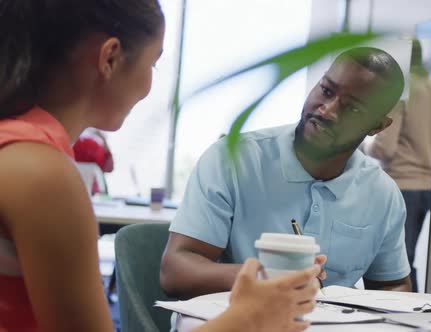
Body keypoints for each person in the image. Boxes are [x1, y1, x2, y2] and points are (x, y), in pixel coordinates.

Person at [0, 1, 318, 331]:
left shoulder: (20, 147)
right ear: (110, 57)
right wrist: (248, 318)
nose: (150, 84)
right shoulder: (42, 174)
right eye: (154, 63)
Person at [160, 47, 412, 301]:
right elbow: (176, 272)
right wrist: (266, 278)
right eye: (326, 91)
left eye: (353, 109)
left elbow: (393, 285)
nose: (327, 110)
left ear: (377, 126)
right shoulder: (232, 159)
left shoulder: (383, 193)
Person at [361, 39, 431, 292]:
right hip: (429, 186)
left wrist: (362, 143)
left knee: (396, 269)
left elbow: (385, 148)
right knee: (408, 261)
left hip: (402, 185)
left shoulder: (402, 92)